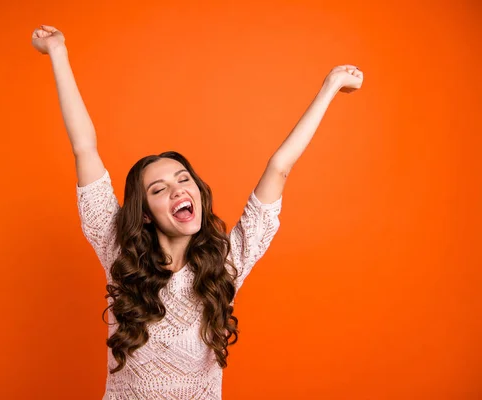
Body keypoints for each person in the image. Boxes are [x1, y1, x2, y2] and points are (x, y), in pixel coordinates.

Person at [32, 24, 363, 400]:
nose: (178, 190)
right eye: (159, 189)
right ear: (144, 213)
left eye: (183, 179)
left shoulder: (227, 261)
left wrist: (330, 87)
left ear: (198, 193)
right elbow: (84, 148)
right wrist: (58, 52)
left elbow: (279, 167)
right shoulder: (118, 252)